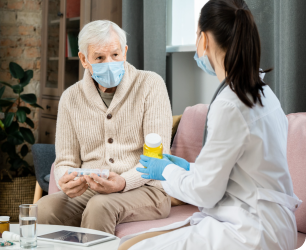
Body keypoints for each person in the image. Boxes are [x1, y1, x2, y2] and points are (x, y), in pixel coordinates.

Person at [119, 0, 302, 249]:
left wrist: (165, 172)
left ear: (204, 40)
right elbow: (236, 172)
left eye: (196, 35)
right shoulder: (262, 92)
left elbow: (205, 192)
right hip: (269, 224)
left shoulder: (231, 104)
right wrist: (189, 168)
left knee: (133, 248)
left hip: (251, 232)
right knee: (132, 242)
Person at [37, 20, 173, 235]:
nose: (109, 62)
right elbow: (65, 161)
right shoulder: (70, 98)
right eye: (99, 58)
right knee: (44, 208)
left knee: (100, 206)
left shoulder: (150, 85)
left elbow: (158, 157)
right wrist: (66, 180)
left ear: (125, 52)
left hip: (147, 188)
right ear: (84, 59)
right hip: (93, 190)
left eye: (115, 55)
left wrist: (123, 182)